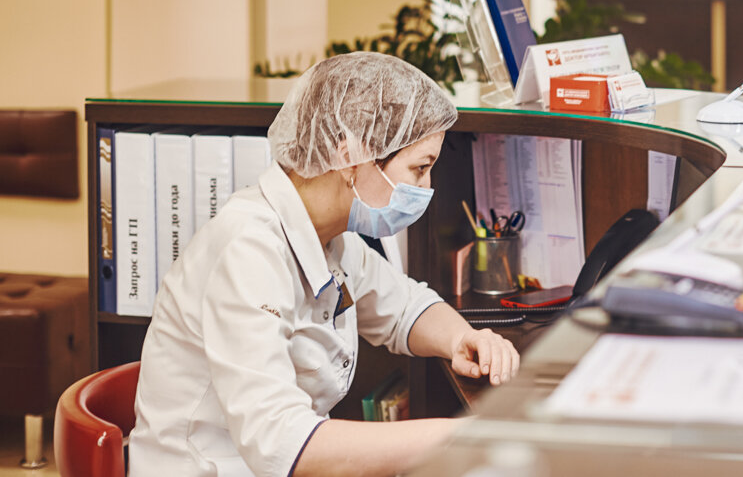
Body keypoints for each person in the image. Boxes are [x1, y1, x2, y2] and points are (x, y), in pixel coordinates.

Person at [131, 52, 520, 477]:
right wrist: (459, 437)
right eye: (420, 168)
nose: (426, 188)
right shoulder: (248, 248)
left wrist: (463, 339)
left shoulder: (329, 234)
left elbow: (403, 307)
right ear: (350, 154)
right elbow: (281, 442)